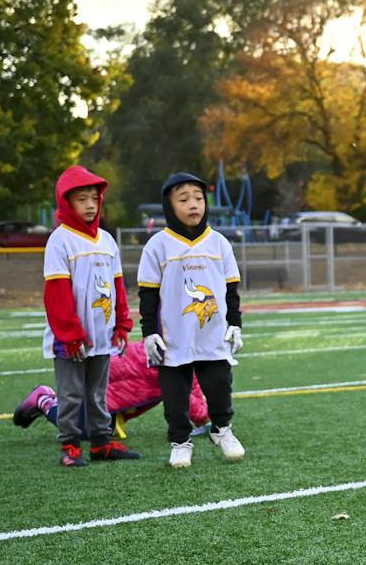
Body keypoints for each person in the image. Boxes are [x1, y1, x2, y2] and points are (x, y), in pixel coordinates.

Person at [137, 171, 245, 469]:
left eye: (198, 198)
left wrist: (235, 324)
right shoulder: (158, 245)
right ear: (170, 205)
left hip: (213, 336)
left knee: (220, 386)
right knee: (175, 396)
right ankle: (180, 442)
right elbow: (147, 295)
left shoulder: (220, 243)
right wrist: (149, 332)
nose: (193, 204)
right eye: (183, 199)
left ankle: (222, 430)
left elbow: (231, 290)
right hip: (174, 338)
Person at [40, 166, 138, 466]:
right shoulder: (60, 240)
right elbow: (56, 293)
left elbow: (118, 286)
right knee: (71, 395)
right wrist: (70, 335)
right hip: (71, 338)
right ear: (67, 203)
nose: (90, 205)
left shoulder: (107, 241)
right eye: (82, 199)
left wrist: (122, 324)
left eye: (94, 199)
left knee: (98, 393)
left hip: (103, 333)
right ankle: (69, 446)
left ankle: (100, 442)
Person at [14, 339, 211, 439]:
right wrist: (211, 421)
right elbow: (186, 397)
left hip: (104, 390)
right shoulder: (169, 363)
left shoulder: (166, 351)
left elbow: (193, 389)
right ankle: (45, 400)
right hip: (99, 391)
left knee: (101, 429)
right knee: (82, 432)